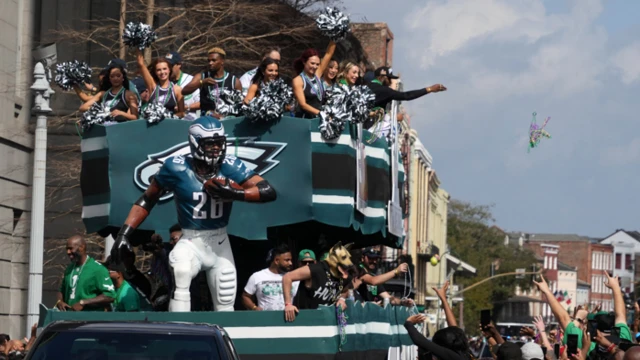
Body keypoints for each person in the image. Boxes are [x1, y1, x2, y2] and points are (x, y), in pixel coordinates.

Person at [110, 116, 277, 312]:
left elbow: (268, 190)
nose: (216, 148)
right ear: (195, 143)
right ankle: (179, 332)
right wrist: (124, 233)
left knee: (225, 299)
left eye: (219, 143)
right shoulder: (176, 166)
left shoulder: (229, 165)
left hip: (220, 243)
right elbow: (148, 198)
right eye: (210, 144)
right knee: (181, 270)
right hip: (191, 240)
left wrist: (237, 193)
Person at [282, 242, 354, 322]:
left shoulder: (344, 276)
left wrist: (342, 299)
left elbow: (346, 290)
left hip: (327, 320)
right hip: (305, 319)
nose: (349, 264)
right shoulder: (316, 269)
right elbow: (287, 277)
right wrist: (288, 304)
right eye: (343, 258)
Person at [56, 235, 116, 311]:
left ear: (82, 247)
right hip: (70, 318)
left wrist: (84, 302)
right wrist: (59, 301)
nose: (68, 252)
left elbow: (110, 296)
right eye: (67, 249)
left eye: (70, 248)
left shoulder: (98, 269)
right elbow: (61, 290)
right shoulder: (69, 268)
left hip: (89, 320)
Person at [181, 47, 242, 119]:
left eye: (214, 60)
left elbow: (239, 105)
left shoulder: (234, 81)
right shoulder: (202, 76)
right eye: (209, 61)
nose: (210, 63)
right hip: (207, 121)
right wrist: (201, 82)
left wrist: (225, 116)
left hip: (226, 120)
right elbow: (184, 91)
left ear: (222, 61)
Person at [242, 244, 299, 311]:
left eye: (291, 260)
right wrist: (254, 308)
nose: (290, 263)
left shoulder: (294, 277)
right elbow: (245, 296)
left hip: (289, 318)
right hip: (266, 319)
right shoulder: (257, 276)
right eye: (287, 260)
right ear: (276, 261)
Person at [291, 41, 336, 118]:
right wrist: (320, 113)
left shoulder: (317, 74)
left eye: (317, 64)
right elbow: (303, 104)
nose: (315, 67)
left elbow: (329, 54)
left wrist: (335, 37)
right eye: (312, 63)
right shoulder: (298, 80)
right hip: (304, 119)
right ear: (304, 62)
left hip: (318, 118)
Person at [136, 49, 185, 118]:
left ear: (169, 70)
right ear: (155, 72)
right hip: (152, 126)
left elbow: (182, 113)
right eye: (158, 70)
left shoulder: (177, 89)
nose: (162, 72)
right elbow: (141, 64)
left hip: (169, 126)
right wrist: (138, 45)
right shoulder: (153, 86)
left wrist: (167, 116)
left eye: (164, 69)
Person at [405, 314, 473, 360]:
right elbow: (454, 328)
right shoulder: (465, 354)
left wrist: (409, 323)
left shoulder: (454, 357)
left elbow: (420, 341)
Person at [166, 51, 200, 120]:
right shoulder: (163, 82)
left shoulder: (190, 80)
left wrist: (186, 107)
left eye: (170, 66)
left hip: (188, 122)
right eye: (166, 66)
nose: (168, 69)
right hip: (169, 122)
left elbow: (201, 102)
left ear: (179, 65)